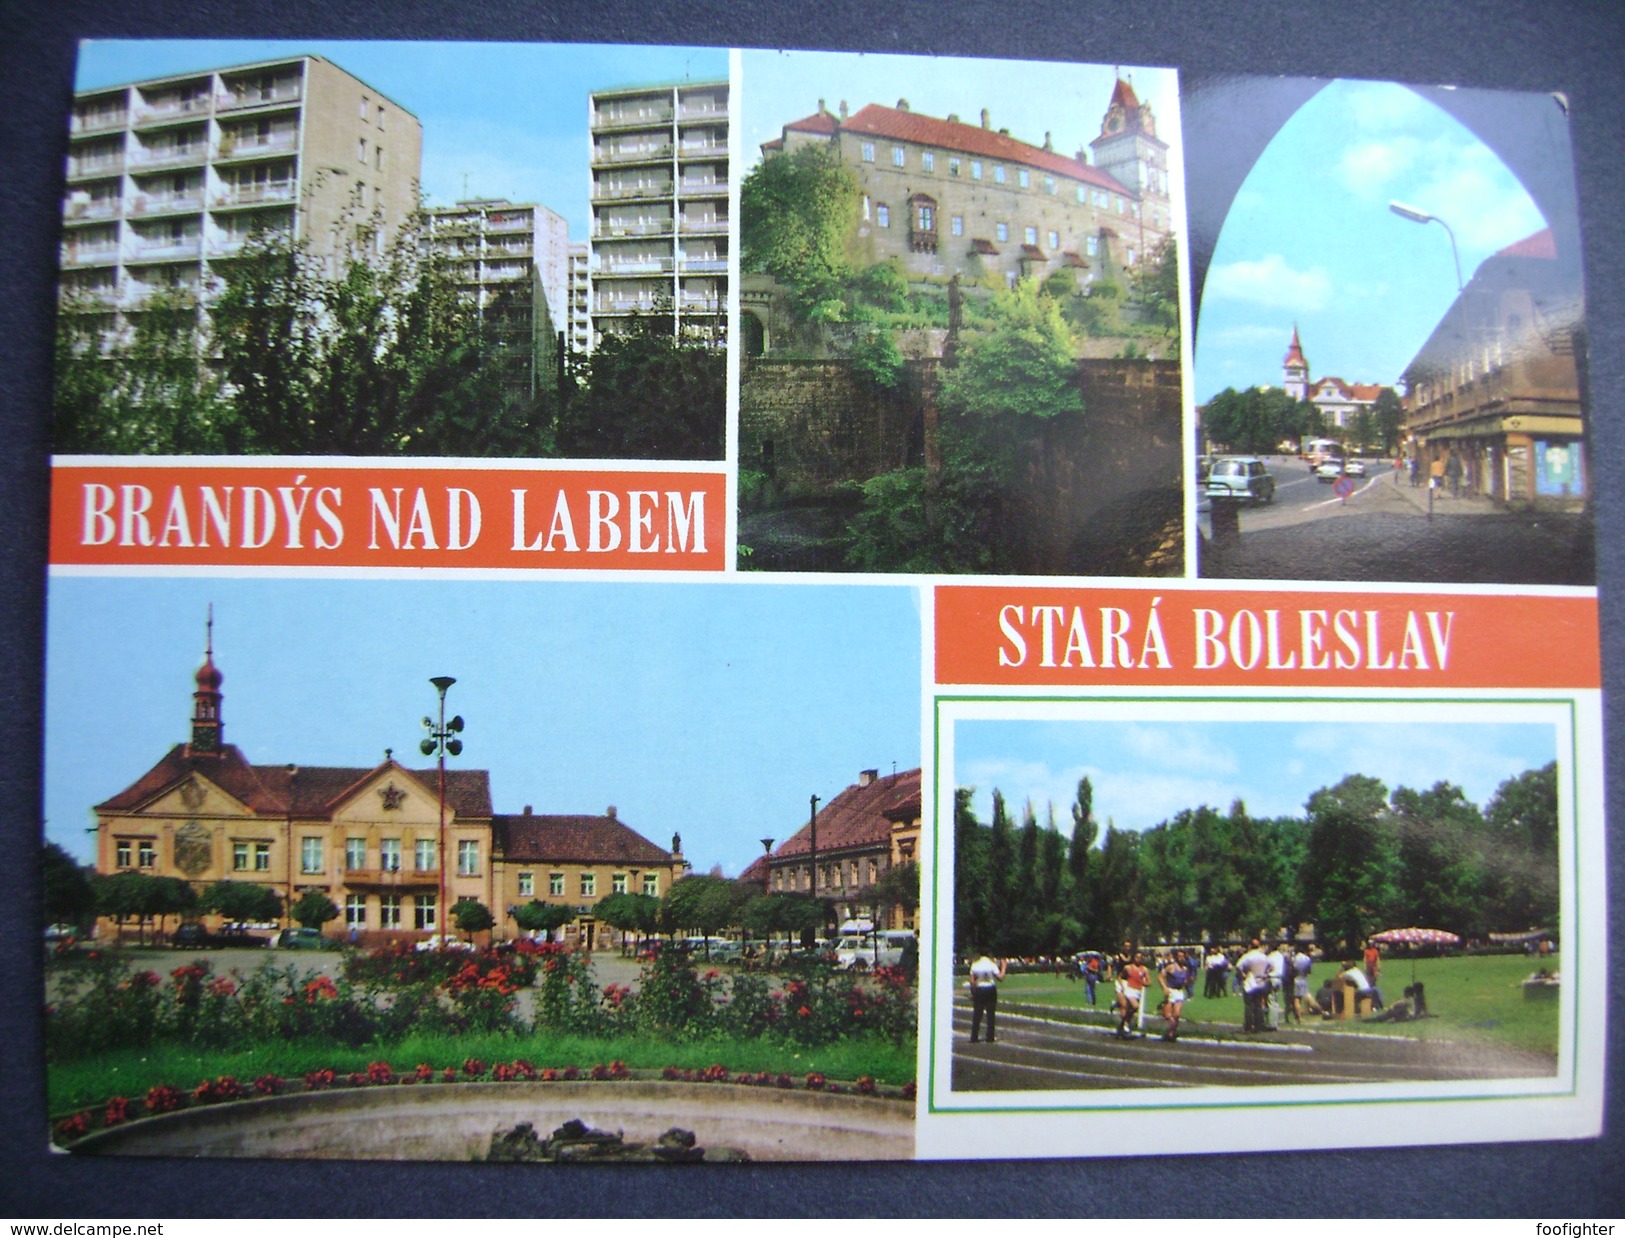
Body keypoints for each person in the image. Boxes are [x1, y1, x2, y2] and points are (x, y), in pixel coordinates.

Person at [967, 950, 1007, 1043]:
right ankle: (990, 1036)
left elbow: (972, 981)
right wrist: (1004, 967)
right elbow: (1000, 977)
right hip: (990, 988)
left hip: (980, 988)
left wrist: (973, 992)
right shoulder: (992, 964)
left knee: (977, 1014)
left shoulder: (975, 964)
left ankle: (974, 1036)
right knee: (991, 1014)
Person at [1236, 937, 1271, 1033]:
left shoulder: (1248, 956)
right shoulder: (1264, 957)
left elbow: (1238, 966)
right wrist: (1265, 973)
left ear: (1250, 946)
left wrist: (1243, 974)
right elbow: (1270, 966)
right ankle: (1258, 1026)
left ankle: (1248, 1026)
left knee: (1248, 1005)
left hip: (1250, 983)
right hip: (1260, 982)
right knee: (1258, 1005)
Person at [1159, 951, 1192, 1041]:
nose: (1181, 958)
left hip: (1179, 992)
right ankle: (1162, 1006)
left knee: (1177, 1014)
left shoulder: (1185, 969)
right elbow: (1161, 977)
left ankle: (1171, 1033)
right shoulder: (1171, 967)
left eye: (1183, 956)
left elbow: (1185, 982)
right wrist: (1165, 988)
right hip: (1171, 991)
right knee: (1168, 1016)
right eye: (1179, 956)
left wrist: (1189, 991)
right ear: (1176, 957)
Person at [1116, 952, 1150, 1039]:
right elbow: (1120, 976)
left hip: (1138, 991)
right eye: (1136, 957)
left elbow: (1149, 982)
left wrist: (1143, 982)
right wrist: (1123, 987)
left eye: (1140, 957)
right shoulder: (1128, 968)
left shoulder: (1144, 969)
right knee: (1135, 1006)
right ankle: (1126, 1026)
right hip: (1130, 990)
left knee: (1130, 1011)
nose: (1138, 959)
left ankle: (1123, 1025)